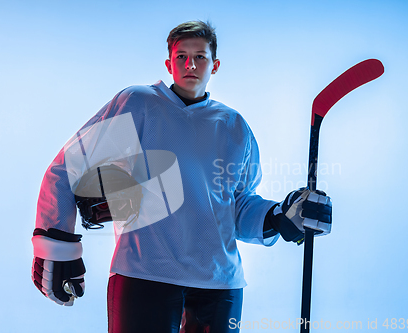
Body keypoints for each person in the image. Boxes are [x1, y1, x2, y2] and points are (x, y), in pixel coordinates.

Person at [31, 20, 332, 333]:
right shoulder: (139, 104)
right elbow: (67, 168)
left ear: (214, 65)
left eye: (200, 57)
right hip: (144, 275)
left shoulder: (233, 125)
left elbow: (238, 205)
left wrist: (280, 215)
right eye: (181, 57)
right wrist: (56, 241)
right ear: (169, 63)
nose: (191, 64)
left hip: (220, 287)